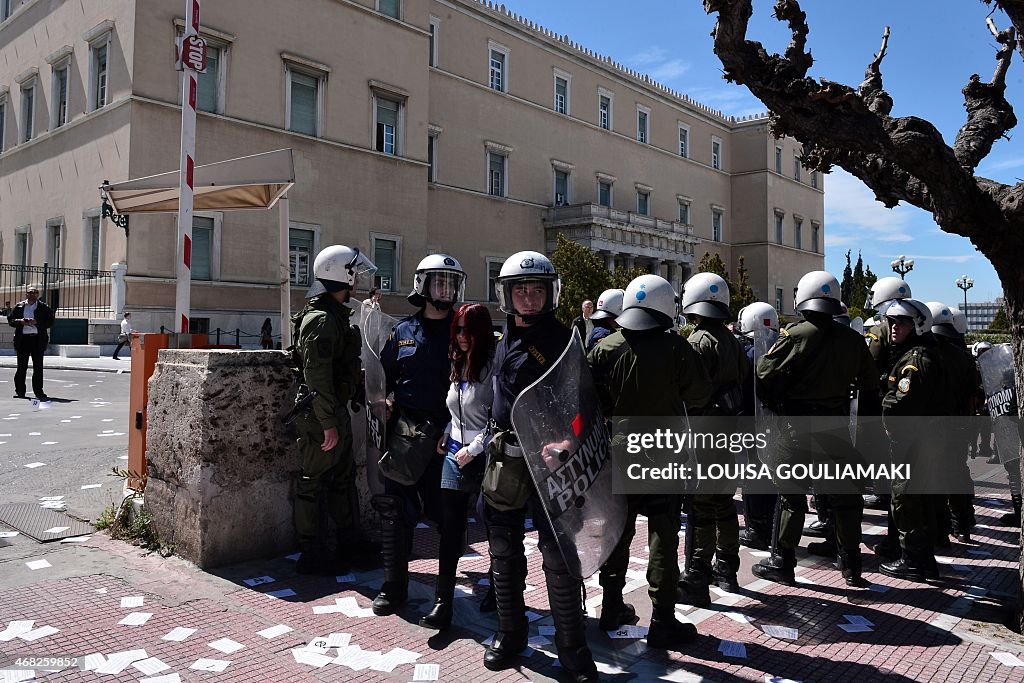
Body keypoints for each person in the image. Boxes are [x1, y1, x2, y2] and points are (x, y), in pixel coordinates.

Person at [482, 250, 598, 682]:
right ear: (507, 295)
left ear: (550, 293)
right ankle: (510, 634)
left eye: (536, 290)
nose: (528, 298)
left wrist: (569, 439)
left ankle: (572, 648)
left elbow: (584, 402)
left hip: (551, 464)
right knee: (502, 549)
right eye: (520, 290)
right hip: (507, 459)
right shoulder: (503, 340)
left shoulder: (565, 340)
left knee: (558, 556)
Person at [589, 274, 710, 651]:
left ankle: (611, 608)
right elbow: (700, 394)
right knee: (662, 538)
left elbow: (585, 402)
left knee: (616, 535)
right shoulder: (676, 348)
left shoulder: (605, 346)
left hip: (617, 453)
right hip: (664, 452)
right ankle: (662, 620)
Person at [752, 271, 878, 587]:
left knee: (791, 497)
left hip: (797, 427)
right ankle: (851, 564)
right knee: (845, 497)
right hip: (835, 426)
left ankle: (782, 561)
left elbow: (764, 375)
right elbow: (868, 384)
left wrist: (781, 402)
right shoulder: (853, 339)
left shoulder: (796, 335)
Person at [372, 254, 466, 616]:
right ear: (423, 286)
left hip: (447, 437)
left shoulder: (462, 332)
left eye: (450, 282)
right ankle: (394, 586)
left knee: (448, 518)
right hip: (406, 436)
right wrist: (384, 401)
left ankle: (445, 596)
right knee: (396, 512)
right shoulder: (403, 331)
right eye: (439, 282)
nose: (446, 288)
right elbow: (384, 377)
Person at [290, 245, 377, 575]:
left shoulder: (335, 315)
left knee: (343, 478)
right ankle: (310, 551)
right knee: (312, 481)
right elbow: (317, 378)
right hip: (319, 414)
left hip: (333, 410)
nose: (357, 279)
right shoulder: (322, 320)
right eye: (353, 272)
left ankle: (349, 540)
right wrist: (328, 423)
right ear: (342, 275)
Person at [418, 303, 495, 631]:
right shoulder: (458, 362)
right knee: (450, 529)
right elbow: (456, 413)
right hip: (454, 455)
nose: (463, 337)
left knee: (495, 527)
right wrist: (449, 435)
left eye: (469, 330)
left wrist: (475, 448)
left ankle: (499, 587)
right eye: (458, 330)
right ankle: (443, 601)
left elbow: (500, 419)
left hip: (488, 458)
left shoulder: (493, 367)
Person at [678, 272, 749, 603]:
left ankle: (698, 571)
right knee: (723, 502)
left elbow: (687, 390)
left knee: (702, 506)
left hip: (703, 432)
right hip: (727, 429)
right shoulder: (732, 340)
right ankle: (728, 568)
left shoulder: (697, 342)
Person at [877, 298, 951, 581]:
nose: (894, 328)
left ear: (917, 325)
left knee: (905, 498)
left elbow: (901, 402)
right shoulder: (923, 354)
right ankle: (922, 560)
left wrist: (885, 402)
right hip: (924, 438)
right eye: (892, 322)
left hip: (913, 439)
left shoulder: (916, 360)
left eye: (902, 323)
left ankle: (915, 560)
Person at [926, 301, 977, 544]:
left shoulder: (928, 354)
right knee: (957, 470)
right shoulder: (964, 356)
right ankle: (962, 523)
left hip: (935, 424)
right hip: (959, 422)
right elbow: (973, 392)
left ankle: (941, 529)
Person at [735, 301, 780, 552]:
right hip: (776, 422)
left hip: (751, 423)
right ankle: (770, 524)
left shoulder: (749, 352)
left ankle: (756, 528)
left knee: (752, 476)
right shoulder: (782, 348)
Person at [8, 284, 54, 401]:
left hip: (37, 339)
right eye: (30, 293)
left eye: (34, 293)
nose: (32, 295)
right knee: (21, 367)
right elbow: (11, 320)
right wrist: (20, 321)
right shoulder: (19, 306)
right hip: (23, 339)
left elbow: (50, 321)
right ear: (26, 294)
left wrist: (36, 322)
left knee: (38, 367)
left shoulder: (44, 307)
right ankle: (20, 391)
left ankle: (38, 391)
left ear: (38, 295)